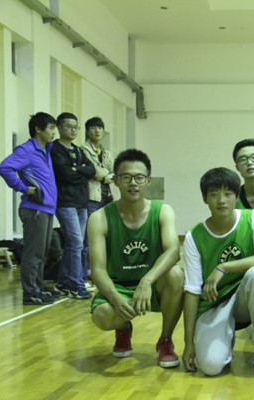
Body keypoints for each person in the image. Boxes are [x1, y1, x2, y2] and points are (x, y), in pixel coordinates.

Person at [182, 167, 254, 379]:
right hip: (215, 304)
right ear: (204, 198)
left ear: (237, 196)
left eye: (228, 194)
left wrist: (224, 267)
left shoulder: (253, 218)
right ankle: (222, 339)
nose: (221, 200)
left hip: (245, 298)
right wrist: (188, 343)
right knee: (210, 367)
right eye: (214, 194)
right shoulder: (194, 236)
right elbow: (192, 291)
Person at [88, 149, 183, 368]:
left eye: (139, 177)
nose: (133, 183)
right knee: (102, 316)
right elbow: (98, 270)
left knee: (176, 275)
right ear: (116, 181)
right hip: (119, 286)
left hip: (153, 284)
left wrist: (147, 281)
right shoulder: (99, 218)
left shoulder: (163, 211)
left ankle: (165, 340)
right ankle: (123, 328)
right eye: (126, 177)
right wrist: (115, 297)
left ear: (148, 181)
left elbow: (173, 251)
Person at [0, 112, 60, 305]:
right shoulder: (27, 150)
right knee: (34, 252)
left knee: (42, 253)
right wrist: (23, 188)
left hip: (46, 209)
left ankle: (39, 287)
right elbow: (4, 168)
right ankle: (30, 292)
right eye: (51, 128)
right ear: (38, 129)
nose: (54, 132)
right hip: (35, 209)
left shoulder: (46, 150)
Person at [51, 113, 96, 299]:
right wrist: (80, 172)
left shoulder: (78, 150)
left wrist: (78, 170)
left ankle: (64, 283)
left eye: (75, 127)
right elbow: (65, 174)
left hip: (81, 202)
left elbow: (91, 170)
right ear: (60, 128)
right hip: (65, 202)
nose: (73, 130)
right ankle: (76, 284)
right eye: (69, 126)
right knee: (76, 243)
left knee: (76, 244)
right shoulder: (55, 149)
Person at [81, 116, 114, 291]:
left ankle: (101, 273)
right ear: (88, 131)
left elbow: (113, 171)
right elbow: (92, 171)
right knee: (88, 239)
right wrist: (106, 175)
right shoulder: (83, 150)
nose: (97, 131)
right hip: (91, 198)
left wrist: (106, 175)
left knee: (106, 237)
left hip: (106, 197)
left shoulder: (106, 152)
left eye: (100, 128)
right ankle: (84, 274)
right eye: (93, 128)